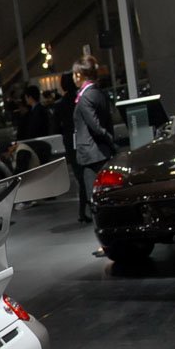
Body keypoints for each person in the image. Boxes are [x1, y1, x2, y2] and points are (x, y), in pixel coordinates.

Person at [72, 55, 116, 223]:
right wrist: (110, 142)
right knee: (106, 194)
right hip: (102, 151)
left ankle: (103, 233)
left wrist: (108, 138)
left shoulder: (85, 98)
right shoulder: (99, 93)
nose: (73, 78)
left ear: (79, 75)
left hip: (91, 155)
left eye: (74, 74)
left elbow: (96, 127)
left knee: (95, 198)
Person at [51, 71, 88, 219]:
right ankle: (87, 208)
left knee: (79, 176)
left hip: (70, 142)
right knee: (88, 174)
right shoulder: (81, 99)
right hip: (85, 138)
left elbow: (55, 128)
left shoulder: (59, 105)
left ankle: (83, 210)